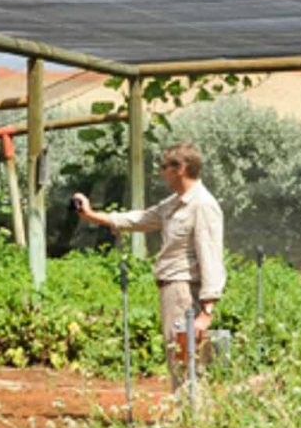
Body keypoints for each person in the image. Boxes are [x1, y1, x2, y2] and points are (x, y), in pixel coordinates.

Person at [72, 141, 227, 390]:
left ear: (181, 168)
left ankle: (191, 419)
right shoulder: (175, 203)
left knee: (185, 356)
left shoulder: (202, 205)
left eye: (165, 166)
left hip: (185, 289)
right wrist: (91, 215)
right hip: (172, 289)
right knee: (178, 354)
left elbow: (211, 256)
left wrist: (206, 311)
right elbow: (139, 219)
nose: (161, 172)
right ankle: (189, 417)